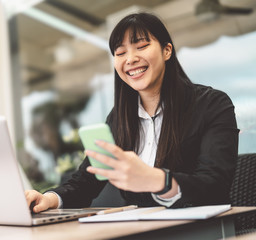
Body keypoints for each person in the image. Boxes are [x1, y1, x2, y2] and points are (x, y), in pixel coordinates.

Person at [25, 12, 239, 212]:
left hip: (202, 227)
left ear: (167, 50)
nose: (130, 59)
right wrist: (49, 198)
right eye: (120, 52)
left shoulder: (212, 104)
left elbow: (215, 184)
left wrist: (157, 180)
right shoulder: (119, 118)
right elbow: (87, 180)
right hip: (141, 229)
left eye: (142, 46)